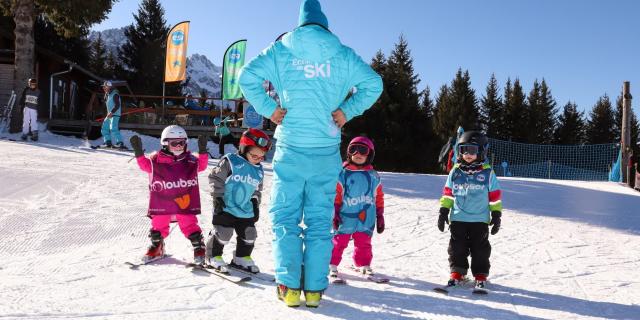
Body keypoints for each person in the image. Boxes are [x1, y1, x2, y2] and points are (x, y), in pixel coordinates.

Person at [238, 0, 383, 308]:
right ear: (324, 24)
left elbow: (246, 77)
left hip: (290, 149)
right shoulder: (343, 54)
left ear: (300, 23)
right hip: (326, 152)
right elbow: (373, 84)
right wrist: (347, 110)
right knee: (318, 221)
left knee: (286, 218)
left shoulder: (280, 50)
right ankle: (315, 292)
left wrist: (269, 110)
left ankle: (289, 288)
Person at [129, 125, 210, 264]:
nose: (179, 146)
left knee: (188, 222)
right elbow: (145, 166)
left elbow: (201, 166)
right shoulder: (156, 160)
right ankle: (157, 246)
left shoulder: (189, 160)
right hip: (163, 201)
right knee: (159, 222)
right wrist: (138, 154)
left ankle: (199, 246)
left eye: (182, 143)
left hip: (184, 200)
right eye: (174, 143)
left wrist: (203, 152)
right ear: (165, 143)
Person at [437, 131, 503, 291]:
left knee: (480, 248)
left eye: (472, 150)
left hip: (479, 219)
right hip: (458, 217)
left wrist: (496, 214)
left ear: (481, 151)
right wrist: (443, 211)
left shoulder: (487, 173)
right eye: (463, 150)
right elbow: (448, 193)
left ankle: (480, 275)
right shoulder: (456, 171)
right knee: (457, 247)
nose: (467, 154)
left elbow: (495, 196)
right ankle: (457, 272)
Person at [205, 128, 271, 274]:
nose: (258, 159)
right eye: (254, 155)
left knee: (250, 234)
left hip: (245, 209)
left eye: (261, 157)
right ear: (243, 148)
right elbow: (216, 178)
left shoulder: (258, 170)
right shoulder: (230, 161)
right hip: (226, 206)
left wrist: (255, 203)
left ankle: (241, 257)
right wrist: (218, 198)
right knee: (223, 233)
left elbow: (256, 189)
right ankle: (212, 255)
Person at [330, 137, 385, 277]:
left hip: (366, 218)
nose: (358, 154)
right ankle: (331, 264)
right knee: (339, 241)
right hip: (345, 216)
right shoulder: (343, 174)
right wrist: (335, 212)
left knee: (364, 242)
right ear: (348, 153)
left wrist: (380, 214)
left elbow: (378, 196)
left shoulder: (373, 176)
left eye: (363, 150)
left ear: (370, 154)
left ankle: (363, 263)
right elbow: (336, 194)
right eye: (353, 149)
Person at [100, 81, 124, 148]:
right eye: (103, 87)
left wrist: (111, 112)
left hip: (115, 114)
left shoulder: (115, 94)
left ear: (109, 87)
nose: (103, 88)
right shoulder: (108, 95)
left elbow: (117, 105)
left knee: (113, 128)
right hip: (109, 115)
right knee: (104, 128)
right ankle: (108, 142)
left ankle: (120, 143)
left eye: (105, 86)